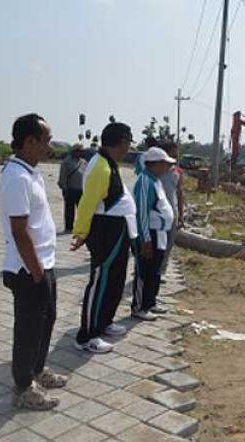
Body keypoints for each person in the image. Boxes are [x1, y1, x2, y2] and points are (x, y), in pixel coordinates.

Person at [0, 113, 67, 410]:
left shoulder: (29, 172)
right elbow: (19, 230)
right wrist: (37, 270)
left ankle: (38, 370)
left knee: (46, 320)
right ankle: (24, 387)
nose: (49, 146)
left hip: (42, 264)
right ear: (29, 142)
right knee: (28, 328)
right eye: (46, 140)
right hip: (28, 269)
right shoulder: (16, 177)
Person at [71, 122, 137, 353]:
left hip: (118, 228)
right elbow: (87, 202)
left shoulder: (109, 163)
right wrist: (80, 233)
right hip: (106, 230)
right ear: (120, 142)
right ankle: (87, 335)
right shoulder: (100, 167)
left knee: (116, 279)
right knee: (100, 281)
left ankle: (105, 321)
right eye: (128, 143)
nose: (128, 148)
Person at [131, 147, 176, 320]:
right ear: (155, 164)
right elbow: (141, 212)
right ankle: (139, 306)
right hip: (150, 233)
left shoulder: (155, 180)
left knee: (155, 270)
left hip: (161, 233)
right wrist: (146, 240)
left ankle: (150, 302)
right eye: (164, 164)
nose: (166, 168)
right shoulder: (144, 181)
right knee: (145, 271)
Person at [158, 141, 185, 277]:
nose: (175, 156)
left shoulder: (178, 172)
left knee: (168, 243)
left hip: (171, 213)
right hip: (156, 214)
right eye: (172, 153)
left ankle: (162, 270)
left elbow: (180, 193)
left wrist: (181, 215)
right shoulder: (155, 171)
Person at [58, 144, 86, 233]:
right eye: (79, 151)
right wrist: (64, 188)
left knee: (82, 210)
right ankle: (69, 228)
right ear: (74, 151)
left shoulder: (83, 162)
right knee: (69, 210)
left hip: (81, 189)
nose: (81, 153)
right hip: (70, 189)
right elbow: (63, 176)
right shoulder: (66, 162)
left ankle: (81, 227)